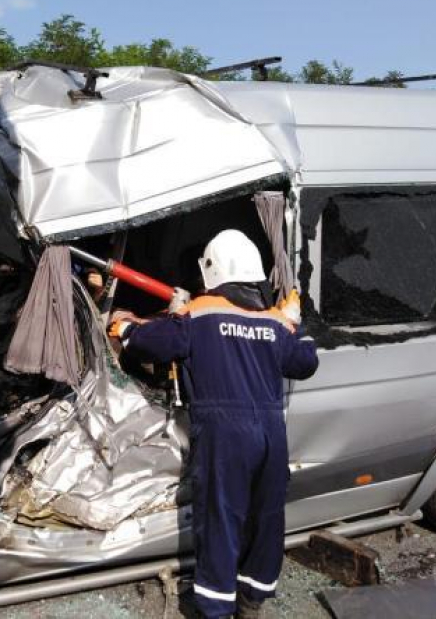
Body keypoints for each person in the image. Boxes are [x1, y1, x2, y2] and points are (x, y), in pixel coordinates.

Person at [108, 229, 318, 619]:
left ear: (211, 272)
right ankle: (252, 603)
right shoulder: (274, 322)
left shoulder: (198, 315)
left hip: (225, 435)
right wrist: (296, 324)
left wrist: (125, 327)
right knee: (265, 518)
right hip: (272, 434)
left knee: (221, 517)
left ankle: (215, 609)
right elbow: (306, 363)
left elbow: (148, 343)